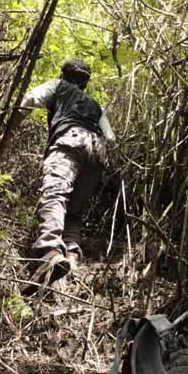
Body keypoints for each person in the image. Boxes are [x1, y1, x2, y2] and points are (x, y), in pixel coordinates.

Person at [18, 58, 114, 287]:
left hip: (69, 141)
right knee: (74, 212)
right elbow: (110, 136)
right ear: (85, 83)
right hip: (97, 152)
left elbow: (31, 99)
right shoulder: (94, 104)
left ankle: (51, 252)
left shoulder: (58, 87)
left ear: (63, 74)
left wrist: (11, 128)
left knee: (55, 194)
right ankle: (71, 257)